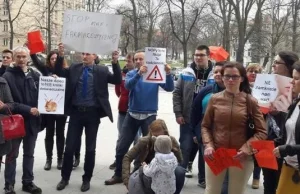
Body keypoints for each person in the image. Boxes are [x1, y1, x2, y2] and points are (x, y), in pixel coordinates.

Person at [55, 50, 122, 192]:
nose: (84, 56)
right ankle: (65, 178)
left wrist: (115, 62)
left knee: (90, 149)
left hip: (92, 115)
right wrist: (60, 56)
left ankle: (87, 179)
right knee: (69, 148)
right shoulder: (74, 68)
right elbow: (59, 72)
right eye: (83, 54)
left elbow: (117, 80)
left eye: (88, 54)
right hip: (76, 114)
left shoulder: (102, 71)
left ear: (95, 56)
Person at [104, 50, 174, 185]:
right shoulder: (131, 73)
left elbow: (169, 88)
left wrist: (168, 73)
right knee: (122, 146)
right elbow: (128, 85)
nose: (137, 61)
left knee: (147, 148)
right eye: (136, 59)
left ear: (147, 60)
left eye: (140, 59)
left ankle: (139, 176)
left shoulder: (155, 74)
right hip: (132, 114)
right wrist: (139, 73)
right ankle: (118, 174)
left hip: (149, 115)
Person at [201, 61, 267, 194]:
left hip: (241, 155)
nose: (230, 80)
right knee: (211, 191)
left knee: (236, 192)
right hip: (218, 153)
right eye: (227, 76)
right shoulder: (214, 99)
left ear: (242, 78)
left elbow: (262, 131)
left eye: (235, 76)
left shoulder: (251, 101)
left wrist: (246, 149)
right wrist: (208, 145)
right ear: (222, 77)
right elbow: (205, 126)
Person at [2, 46, 42, 194]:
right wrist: (28, 109)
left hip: (32, 122)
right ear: (13, 57)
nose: (21, 59)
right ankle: (9, 185)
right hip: (15, 123)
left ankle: (28, 182)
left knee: (29, 154)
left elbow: (45, 89)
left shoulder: (34, 74)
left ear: (28, 58)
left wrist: (53, 80)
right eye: (18, 56)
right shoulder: (7, 77)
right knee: (12, 155)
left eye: (24, 56)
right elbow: (10, 103)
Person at [173, 45, 213, 180]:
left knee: (205, 149)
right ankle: (179, 177)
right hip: (187, 117)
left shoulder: (215, 73)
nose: (198, 57)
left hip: (207, 118)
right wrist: (178, 113)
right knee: (185, 147)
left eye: (201, 55)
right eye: (196, 55)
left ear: (209, 56)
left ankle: (204, 179)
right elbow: (177, 93)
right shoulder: (186, 73)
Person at [263, 51, 299, 194]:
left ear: (289, 67)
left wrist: (280, 110)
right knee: (269, 183)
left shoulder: (295, 92)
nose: (274, 65)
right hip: (272, 141)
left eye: (277, 62)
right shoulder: (268, 83)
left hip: (290, 151)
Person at [30, 43, 68, 171]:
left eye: (56, 59)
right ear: (48, 60)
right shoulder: (45, 70)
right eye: (52, 58)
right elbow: (36, 61)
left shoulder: (65, 71)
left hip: (61, 108)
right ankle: (48, 159)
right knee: (49, 133)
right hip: (48, 109)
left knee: (60, 133)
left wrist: (61, 55)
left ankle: (60, 159)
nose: (54, 61)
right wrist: (32, 51)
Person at [190, 61, 225, 188]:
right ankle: (203, 178)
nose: (217, 74)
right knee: (204, 154)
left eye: (221, 72)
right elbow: (194, 110)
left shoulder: (233, 92)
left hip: (223, 131)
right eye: (215, 72)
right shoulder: (206, 90)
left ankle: (219, 178)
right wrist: (194, 131)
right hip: (204, 128)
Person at [125, 119, 185, 194]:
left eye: (160, 136)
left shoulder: (171, 140)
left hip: (163, 173)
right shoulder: (144, 141)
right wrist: (127, 180)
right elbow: (127, 157)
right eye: (155, 136)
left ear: (165, 132)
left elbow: (180, 160)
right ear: (151, 133)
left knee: (180, 171)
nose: (157, 139)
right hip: (145, 172)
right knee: (149, 177)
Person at [109, 53, 141, 170]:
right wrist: (123, 97)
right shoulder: (123, 74)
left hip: (136, 110)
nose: (127, 63)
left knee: (137, 138)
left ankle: (137, 161)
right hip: (123, 109)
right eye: (126, 61)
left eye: (129, 61)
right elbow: (118, 90)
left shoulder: (142, 74)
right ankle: (119, 160)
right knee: (121, 136)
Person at [273, 61, 300, 194]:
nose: (292, 82)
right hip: (288, 166)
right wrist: (268, 145)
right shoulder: (295, 103)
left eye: (296, 79)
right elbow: (288, 136)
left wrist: (287, 149)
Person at [246, 63, 263, 189]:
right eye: (250, 71)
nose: (253, 73)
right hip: (244, 123)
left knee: (258, 150)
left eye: (256, 72)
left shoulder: (265, 88)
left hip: (259, 122)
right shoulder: (242, 87)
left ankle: (256, 177)